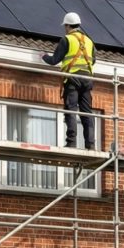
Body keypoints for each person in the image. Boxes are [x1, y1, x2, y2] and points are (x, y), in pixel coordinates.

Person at [42, 12, 96, 149]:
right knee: (86, 112)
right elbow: (93, 60)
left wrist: (43, 56)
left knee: (71, 109)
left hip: (73, 79)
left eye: (65, 26)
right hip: (87, 79)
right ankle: (90, 144)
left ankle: (71, 142)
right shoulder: (89, 41)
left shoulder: (67, 39)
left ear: (67, 25)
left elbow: (54, 60)